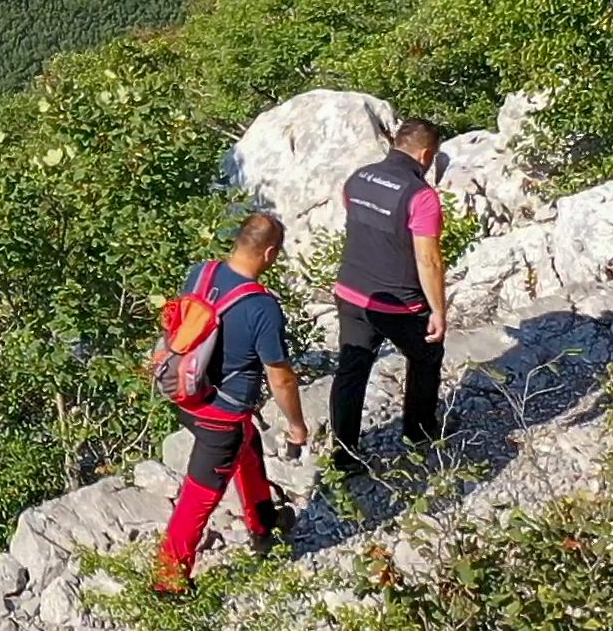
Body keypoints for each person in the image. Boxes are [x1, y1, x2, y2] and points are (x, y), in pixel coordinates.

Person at [154, 212, 309, 591]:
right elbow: (280, 376)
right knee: (200, 495)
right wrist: (296, 425)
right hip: (220, 417)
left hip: (185, 394)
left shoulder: (200, 272)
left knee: (249, 445)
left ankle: (263, 526)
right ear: (270, 253)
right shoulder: (262, 307)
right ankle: (167, 581)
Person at [328, 117, 447, 478]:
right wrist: (438, 310)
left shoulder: (358, 177)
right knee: (427, 354)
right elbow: (428, 260)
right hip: (398, 302)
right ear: (426, 153)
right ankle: (419, 434)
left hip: (350, 290)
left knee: (352, 368)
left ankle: (345, 455)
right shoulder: (420, 196)